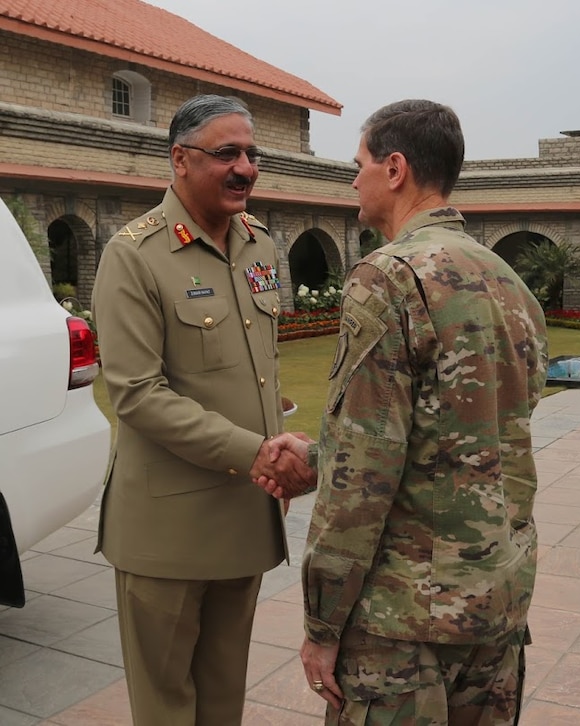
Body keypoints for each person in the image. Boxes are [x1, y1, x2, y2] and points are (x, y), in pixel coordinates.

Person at [262, 99, 548, 724]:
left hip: (404, 619)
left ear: (395, 169)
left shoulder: (387, 276)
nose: (352, 180)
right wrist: (317, 457)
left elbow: (366, 470)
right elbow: (464, 435)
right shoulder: (508, 280)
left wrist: (323, 621)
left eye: (358, 163)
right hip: (496, 599)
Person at [92, 94, 314, 724]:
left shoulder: (259, 245)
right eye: (226, 153)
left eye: (252, 154)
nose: (245, 167)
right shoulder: (135, 255)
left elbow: (253, 370)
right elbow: (136, 394)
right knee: (167, 706)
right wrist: (259, 452)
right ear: (180, 160)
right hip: (168, 530)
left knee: (222, 698)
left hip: (243, 516)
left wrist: (280, 433)